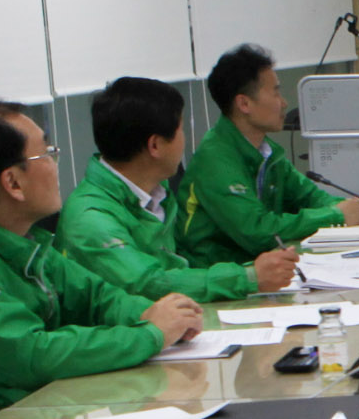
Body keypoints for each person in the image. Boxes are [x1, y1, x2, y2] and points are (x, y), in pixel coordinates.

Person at [0, 100, 203, 419]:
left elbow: (94, 295)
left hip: (39, 406)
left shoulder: (15, 237)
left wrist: (152, 315)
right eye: (47, 154)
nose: (56, 164)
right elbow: (31, 356)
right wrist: (151, 334)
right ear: (12, 183)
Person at [60, 77, 299, 302]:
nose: (184, 141)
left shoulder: (156, 192)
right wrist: (247, 277)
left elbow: (176, 268)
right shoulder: (89, 217)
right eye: (180, 130)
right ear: (155, 145)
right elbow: (148, 283)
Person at [170, 43, 359, 268]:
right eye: (275, 91)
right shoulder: (214, 159)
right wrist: (336, 215)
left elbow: (308, 196)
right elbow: (258, 231)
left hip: (261, 270)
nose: (283, 102)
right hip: (219, 278)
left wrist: (350, 207)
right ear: (244, 103)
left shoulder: (267, 151)